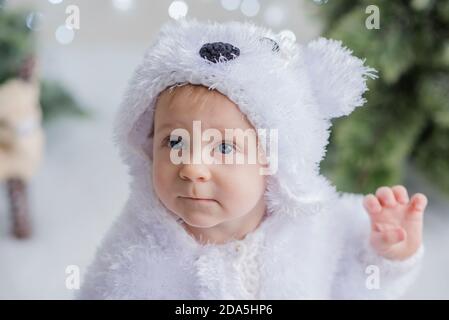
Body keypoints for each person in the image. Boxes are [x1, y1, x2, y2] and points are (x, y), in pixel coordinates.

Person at [78, 19, 427, 299]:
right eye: (174, 141)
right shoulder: (137, 250)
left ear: (275, 160)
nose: (192, 167)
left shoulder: (316, 229)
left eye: (225, 148)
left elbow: (355, 283)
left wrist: (386, 254)